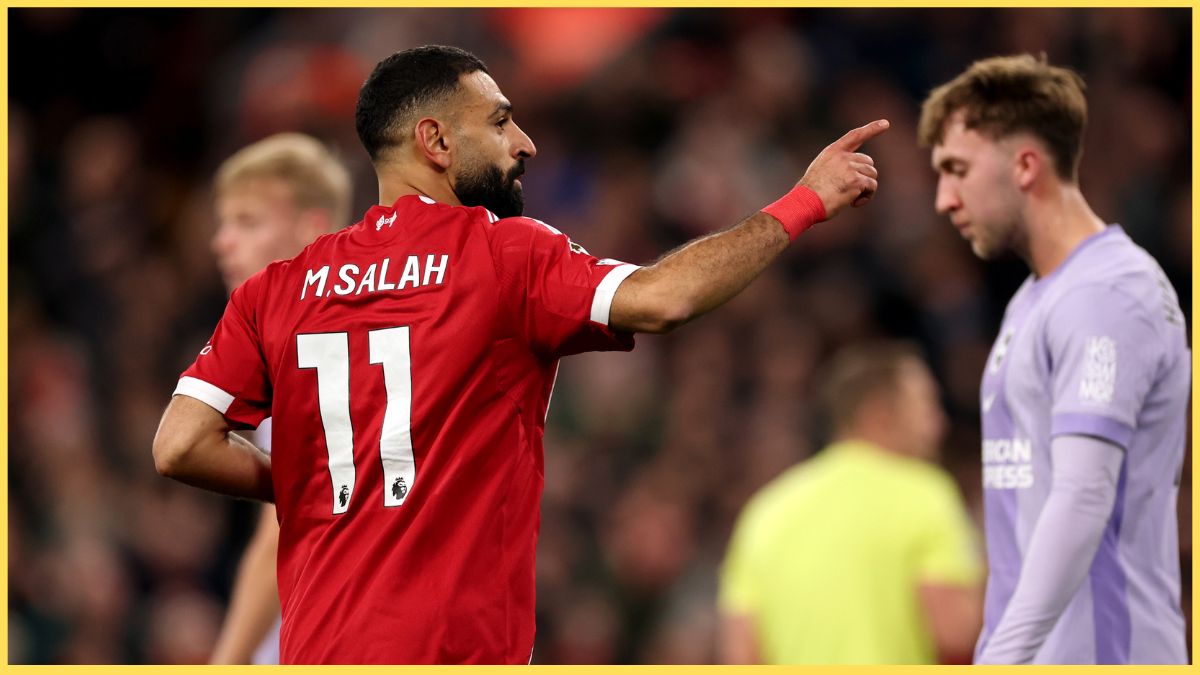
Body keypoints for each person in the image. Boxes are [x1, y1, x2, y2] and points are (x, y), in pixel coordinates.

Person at [151, 44, 889, 664]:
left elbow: (179, 445)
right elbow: (665, 297)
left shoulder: (279, 287)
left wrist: (311, 481)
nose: (525, 143)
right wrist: (802, 202)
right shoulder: (500, 256)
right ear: (436, 142)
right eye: (500, 122)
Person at [918, 54, 1189, 664]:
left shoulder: (1108, 294)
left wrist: (1002, 657)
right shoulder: (1038, 299)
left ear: (1025, 165)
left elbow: (1085, 493)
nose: (943, 199)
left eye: (957, 169)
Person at [719, 342, 983, 664]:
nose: (940, 425)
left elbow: (740, 654)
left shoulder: (765, 510)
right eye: (927, 408)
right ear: (880, 415)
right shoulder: (925, 494)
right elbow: (955, 632)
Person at [204, 133, 353, 664]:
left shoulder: (316, 346)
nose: (223, 242)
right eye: (223, 224)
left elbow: (281, 532)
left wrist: (228, 659)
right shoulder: (308, 332)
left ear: (312, 228)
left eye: (247, 222)